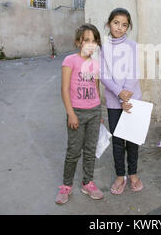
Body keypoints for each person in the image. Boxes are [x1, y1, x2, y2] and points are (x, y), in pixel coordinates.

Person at [56, 24, 104, 204]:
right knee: (74, 151)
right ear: (78, 42)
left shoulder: (96, 64)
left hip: (94, 111)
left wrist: (99, 112)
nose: (90, 44)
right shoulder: (70, 61)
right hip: (76, 112)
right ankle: (66, 186)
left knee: (90, 150)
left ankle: (87, 182)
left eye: (94, 41)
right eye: (87, 40)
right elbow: (64, 88)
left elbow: (96, 88)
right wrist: (71, 114)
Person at [100, 8, 143, 195]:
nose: (119, 27)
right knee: (118, 141)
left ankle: (133, 174)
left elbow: (134, 72)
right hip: (114, 102)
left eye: (124, 24)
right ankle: (120, 175)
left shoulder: (133, 46)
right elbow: (103, 75)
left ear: (128, 27)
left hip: (133, 100)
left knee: (132, 140)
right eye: (116, 22)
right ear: (109, 23)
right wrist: (120, 95)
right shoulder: (102, 47)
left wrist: (128, 97)